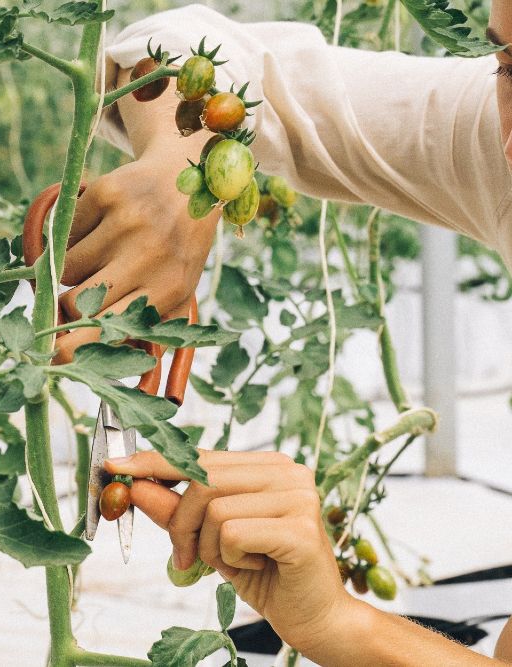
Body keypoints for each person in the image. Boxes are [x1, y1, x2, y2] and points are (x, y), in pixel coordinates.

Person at [54, 3, 512, 665]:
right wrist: (174, 178)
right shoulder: (488, 139)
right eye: (506, 62)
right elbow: (181, 48)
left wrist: (340, 625)